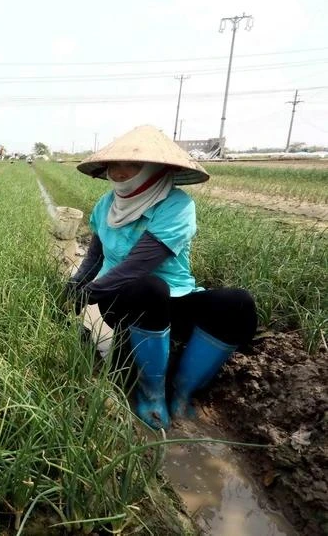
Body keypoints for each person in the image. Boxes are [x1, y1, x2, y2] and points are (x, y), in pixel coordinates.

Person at [67, 125, 257, 430]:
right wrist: (72, 288)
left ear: (156, 169)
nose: (119, 172)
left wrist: (90, 291)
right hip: (125, 301)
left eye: (131, 164)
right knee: (148, 289)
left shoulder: (177, 205)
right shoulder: (105, 206)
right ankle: (151, 393)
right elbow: (94, 257)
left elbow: (139, 264)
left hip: (173, 299)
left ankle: (181, 392)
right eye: (114, 164)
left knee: (238, 303)